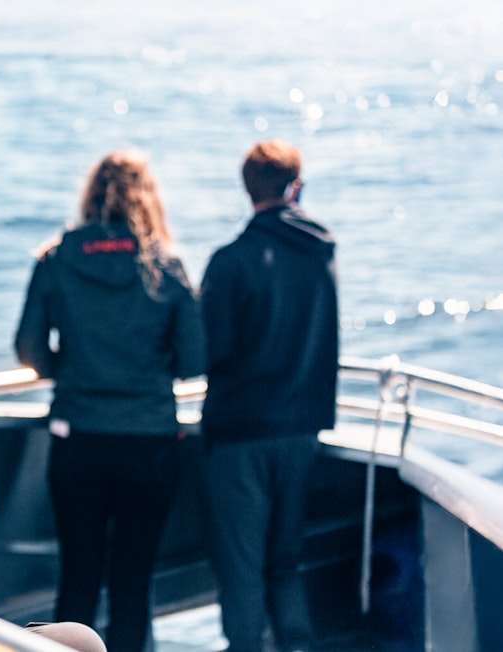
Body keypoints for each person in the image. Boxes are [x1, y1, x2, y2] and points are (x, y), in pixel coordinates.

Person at [14, 151, 207, 652]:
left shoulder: (56, 259)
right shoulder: (165, 265)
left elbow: (29, 350)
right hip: (150, 442)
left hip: (78, 438)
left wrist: (72, 370)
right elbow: (193, 360)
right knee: (133, 581)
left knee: (77, 577)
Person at [198, 140, 339, 652]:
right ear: (295, 187)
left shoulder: (231, 261)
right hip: (303, 430)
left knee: (242, 566)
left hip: (241, 435)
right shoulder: (323, 256)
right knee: (285, 559)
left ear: (247, 188)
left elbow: (207, 353)